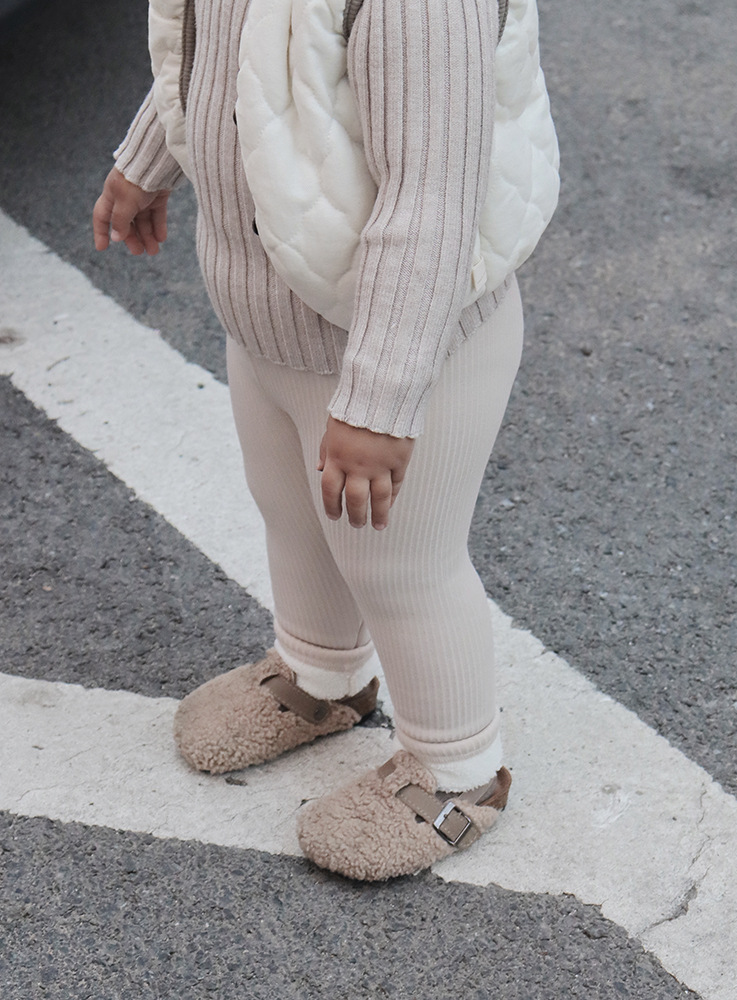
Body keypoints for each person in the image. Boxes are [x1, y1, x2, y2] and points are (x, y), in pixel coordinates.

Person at [92, 0, 558, 880]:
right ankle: (322, 673)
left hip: (400, 348)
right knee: (292, 509)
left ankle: (458, 766)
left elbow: (432, 194)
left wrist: (379, 401)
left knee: (399, 565)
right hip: (270, 322)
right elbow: (214, 54)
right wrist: (146, 161)